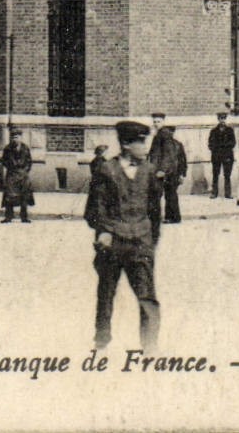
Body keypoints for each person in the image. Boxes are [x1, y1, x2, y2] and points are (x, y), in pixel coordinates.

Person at [84, 120, 162, 353]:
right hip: (113, 243)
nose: (145, 148)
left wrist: (150, 241)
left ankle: (150, 345)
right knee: (106, 292)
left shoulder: (149, 171)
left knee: (147, 296)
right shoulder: (106, 170)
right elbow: (94, 210)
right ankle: (101, 341)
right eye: (141, 142)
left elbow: (155, 210)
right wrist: (104, 232)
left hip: (141, 242)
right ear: (127, 145)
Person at [148, 122, 188, 224]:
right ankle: (172, 217)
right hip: (170, 172)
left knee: (160, 195)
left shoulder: (164, 140)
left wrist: (161, 170)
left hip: (164, 173)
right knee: (170, 194)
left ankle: (159, 218)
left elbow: (168, 157)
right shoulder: (172, 142)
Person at [0, 128, 35, 223]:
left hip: (23, 175)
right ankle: (8, 217)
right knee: (9, 196)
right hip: (12, 174)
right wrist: (11, 168)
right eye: (13, 137)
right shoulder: (7, 149)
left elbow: (29, 161)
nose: (15, 139)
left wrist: (25, 171)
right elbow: (4, 161)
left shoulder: (25, 148)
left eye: (17, 137)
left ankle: (24, 217)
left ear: (21, 138)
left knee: (24, 196)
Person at [207, 111, 236, 198]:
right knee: (215, 175)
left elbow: (233, 143)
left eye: (223, 118)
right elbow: (210, 144)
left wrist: (225, 149)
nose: (222, 121)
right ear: (218, 119)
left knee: (227, 175)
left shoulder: (230, 130)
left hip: (227, 156)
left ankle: (228, 193)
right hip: (216, 156)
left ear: (225, 119)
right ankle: (214, 193)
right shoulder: (213, 131)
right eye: (220, 119)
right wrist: (216, 150)